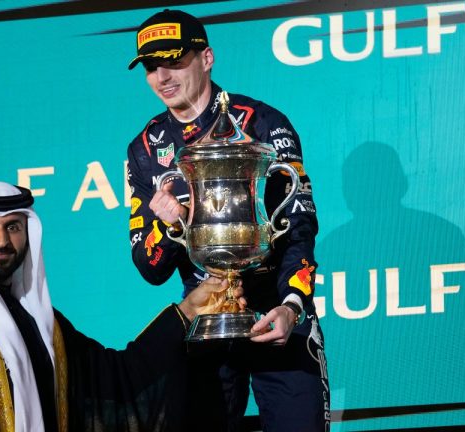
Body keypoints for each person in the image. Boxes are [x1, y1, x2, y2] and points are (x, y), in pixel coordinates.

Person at [0, 181, 243, 432]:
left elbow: (118, 379)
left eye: (13, 227)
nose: (1, 241)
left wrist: (188, 311)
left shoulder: (44, 325)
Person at [126, 9, 329, 431]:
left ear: (207, 58)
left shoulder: (264, 124)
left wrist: (292, 306)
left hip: (277, 313)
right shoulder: (145, 150)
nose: (162, 76)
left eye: (174, 60)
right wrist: (170, 225)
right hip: (205, 325)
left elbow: (300, 228)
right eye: (151, 66)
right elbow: (150, 268)